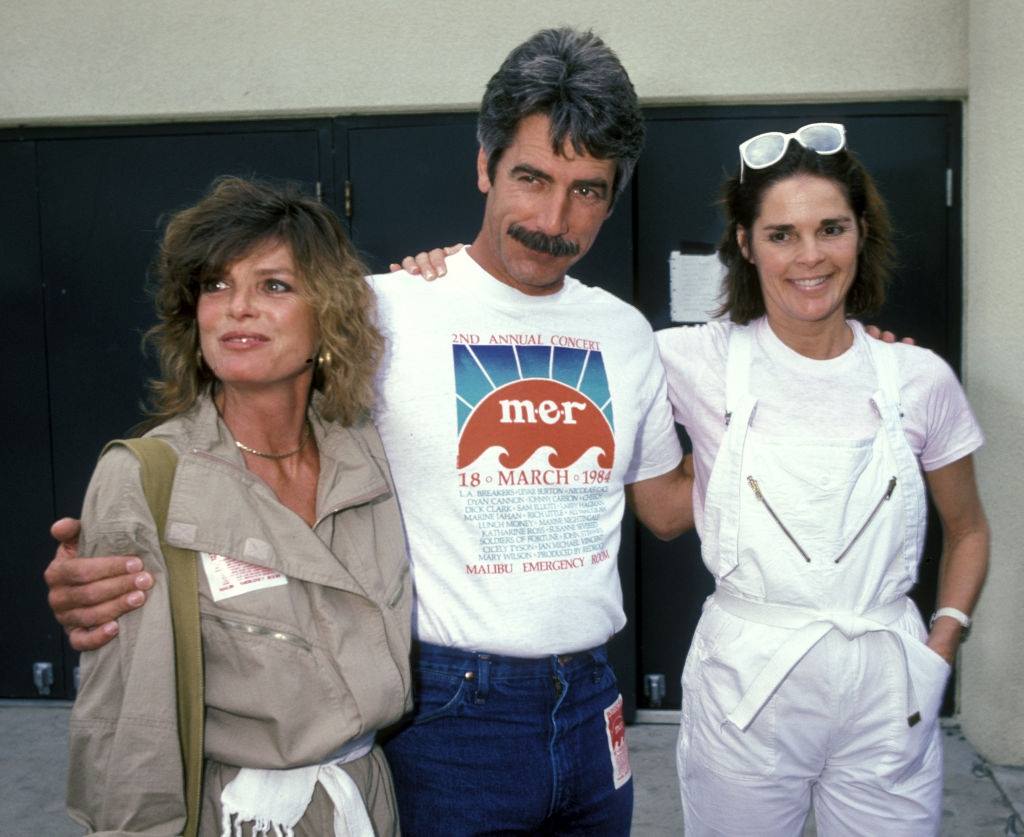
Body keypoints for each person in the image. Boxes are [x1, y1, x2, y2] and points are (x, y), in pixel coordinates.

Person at [45, 28, 692, 834]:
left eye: (587, 190)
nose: (553, 218)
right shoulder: (382, 308)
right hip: (445, 710)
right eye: (531, 177)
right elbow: (236, 426)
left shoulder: (625, 333)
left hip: (594, 702)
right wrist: (124, 555)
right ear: (484, 165)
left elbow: (667, 505)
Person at [654, 125, 988, 834]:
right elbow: (558, 326)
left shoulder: (918, 378)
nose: (809, 256)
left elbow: (969, 528)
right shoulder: (690, 359)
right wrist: (444, 266)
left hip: (887, 687)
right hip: (748, 686)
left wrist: (943, 643)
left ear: (860, 233)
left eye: (830, 228)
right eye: (781, 234)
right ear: (745, 244)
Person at [65, 176, 412, 835]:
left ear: (329, 314)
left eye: (274, 285)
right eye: (216, 285)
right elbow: (125, 725)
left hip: (365, 801)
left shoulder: (368, 456)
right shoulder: (147, 478)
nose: (236, 308)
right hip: (241, 814)